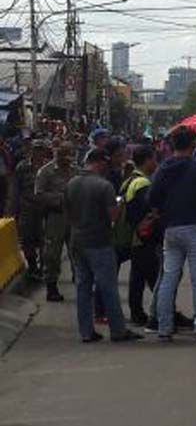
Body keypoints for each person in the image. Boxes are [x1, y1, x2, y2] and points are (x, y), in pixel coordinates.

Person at [148, 125, 196, 342]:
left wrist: (161, 213)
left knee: (169, 278)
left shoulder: (163, 168)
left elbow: (151, 198)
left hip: (171, 229)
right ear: (193, 144)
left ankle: (164, 327)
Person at [64, 148, 141, 343]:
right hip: (99, 241)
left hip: (77, 240)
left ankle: (86, 332)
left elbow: (66, 211)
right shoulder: (103, 186)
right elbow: (113, 216)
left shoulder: (71, 183)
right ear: (99, 163)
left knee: (83, 287)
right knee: (107, 287)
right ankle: (117, 330)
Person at [35, 140, 77, 302]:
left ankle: (81, 281)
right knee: (52, 253)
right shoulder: (46, 172)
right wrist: (60, 199)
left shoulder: (75, 170)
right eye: (62, 153)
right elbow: (39, 194)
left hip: (74, 216)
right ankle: (51, 286)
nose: (66, 157)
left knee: (77, 251)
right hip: (55, 216)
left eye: (68, 153)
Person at [124, 145, 159, 325]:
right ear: (146, 161)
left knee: (137, 278)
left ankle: (137, 313)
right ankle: (163, 313)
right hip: (144, 237)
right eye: (153, 159)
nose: (156, 162)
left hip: (135, 236)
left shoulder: (132, 179)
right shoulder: (142, 183)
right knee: (155, 278)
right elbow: (150, 209)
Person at [7, 139, 48, 280]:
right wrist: (12, 210)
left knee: (46, 240)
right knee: (27, 238)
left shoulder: (49, 167)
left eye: (41, 149)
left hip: (45, 209)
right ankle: (32, 266)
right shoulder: (23, 167)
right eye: (36, 149)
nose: (39, 152)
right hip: (27, 209)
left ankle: (45, 268)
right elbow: (15, 189)